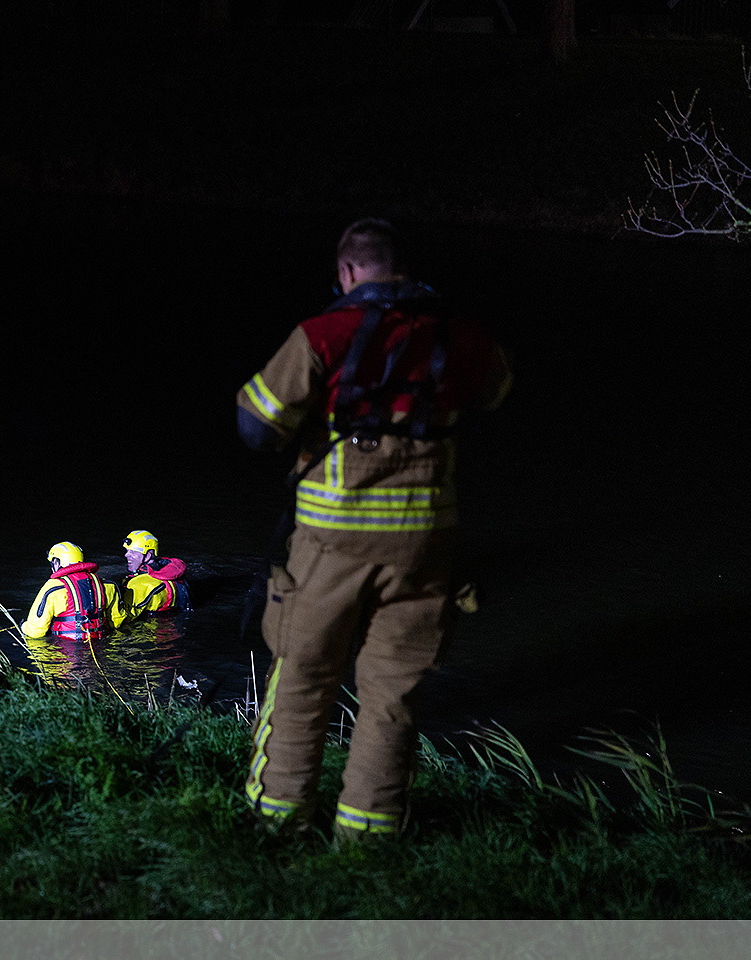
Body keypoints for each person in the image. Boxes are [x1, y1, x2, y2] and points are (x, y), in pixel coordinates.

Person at [236, 218, 511, 839]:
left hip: (332, 544)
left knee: (304, 677)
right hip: (426, 549)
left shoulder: (323, 335)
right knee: (393, 692)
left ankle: (277, 823)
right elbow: (498, 390)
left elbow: (255, 425)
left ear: (348, 273)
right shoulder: (460, 338)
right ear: (405, 270)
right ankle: (366, 838)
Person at [20, 542, 127, 640]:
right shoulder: (107, 585)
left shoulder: (53, 587)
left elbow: (36, 631)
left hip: (65, 650)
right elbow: (117, 622)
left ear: (57, 563)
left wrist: (23, 627)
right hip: (100, 646)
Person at [121, 530, 190, 618]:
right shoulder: (167, 570)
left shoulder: (144, 584)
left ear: (148, 555)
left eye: (133, 552)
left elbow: (122, 618)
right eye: (127, 551)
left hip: (154, 628)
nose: (126, 555)